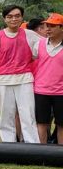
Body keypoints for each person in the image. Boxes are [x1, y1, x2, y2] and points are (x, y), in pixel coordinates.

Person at [0, 5, 40, 143]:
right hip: (3, 80)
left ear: (22, 18)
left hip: (25, 79)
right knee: (6, 115)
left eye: (17, 16)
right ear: (4, 19)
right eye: (10, 16)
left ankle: (32, 144)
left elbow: (45, 47)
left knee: (28, 114)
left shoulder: (30, 34)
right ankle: (8, 144)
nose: (14, 19)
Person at [33, 13, 63, 145]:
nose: (48, 29)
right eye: (46, 25)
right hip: (41, 90)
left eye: (52, 26)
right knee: (41, 122)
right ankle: (42, 152)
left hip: (61, 92)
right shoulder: (38, 45)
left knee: (61, 124)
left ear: (61, 28)